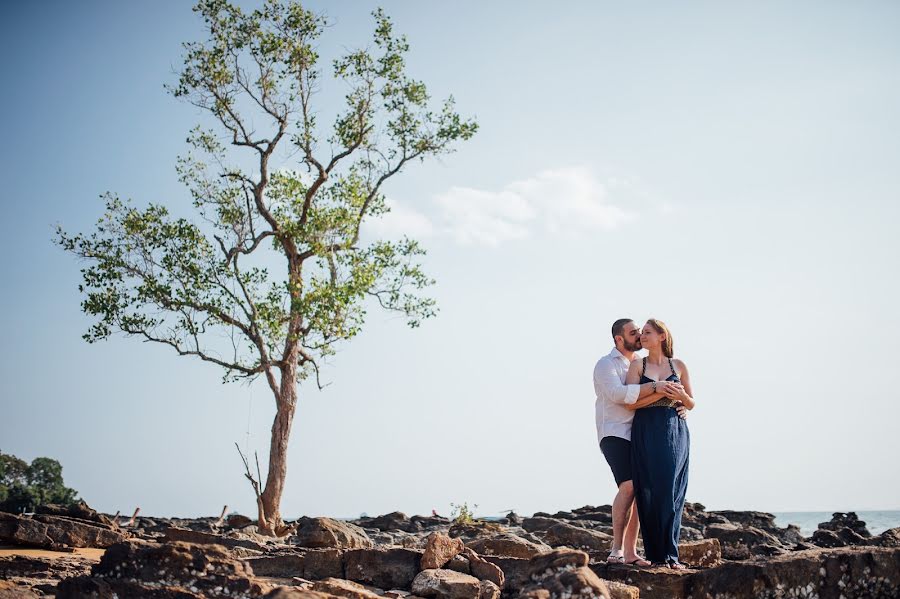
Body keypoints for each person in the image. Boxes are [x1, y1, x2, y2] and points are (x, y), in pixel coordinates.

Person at [594, 318, 687, 567]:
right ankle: (616, 550)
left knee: (642, 489)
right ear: (619, 339)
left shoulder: (638, 364)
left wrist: (678, 404)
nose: (639, 336)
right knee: (630, 486)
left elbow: (683, 397)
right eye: (634, 333)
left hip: (639, 433)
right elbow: (619, 395)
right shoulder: (606, 365)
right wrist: (658, 388)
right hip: (614, 433)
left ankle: (631, 552)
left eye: (642, 332)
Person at [625, 318, 695, 569]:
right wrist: (658, 392)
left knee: (671, 491)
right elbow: (630, 403)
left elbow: (691, 403)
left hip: (675, 431)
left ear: (662, 336)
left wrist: (680, 396)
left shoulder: (679, 365)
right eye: (641, 333)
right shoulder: (637, 366)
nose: (642, 336)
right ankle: (656, 556)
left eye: (648, 332)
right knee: (648, 491)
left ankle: (672, 556)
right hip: (645, 430)